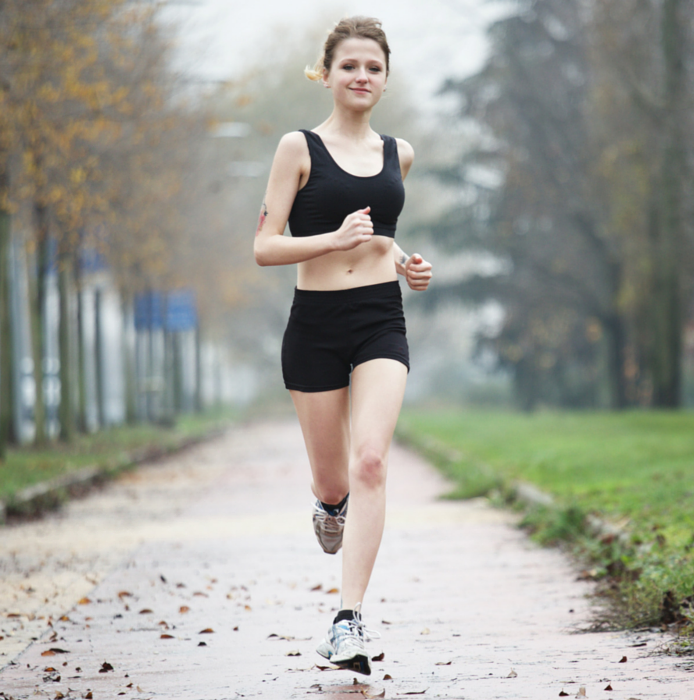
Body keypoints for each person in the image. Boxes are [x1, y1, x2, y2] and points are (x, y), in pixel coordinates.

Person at [253, 16, 433, 676]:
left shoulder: (399, 154)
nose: (362, 76)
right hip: (316, 325)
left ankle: (347, 620)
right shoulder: (297, 148)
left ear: (386, 80)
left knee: (371, 464)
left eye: (374, 68)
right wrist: (331, 240)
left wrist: (410, 265)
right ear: (326, 74)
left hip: (381, 317)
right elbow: (264, 247)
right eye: (350, 65)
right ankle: (329, 507)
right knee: (336, 481)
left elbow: (384, 237)